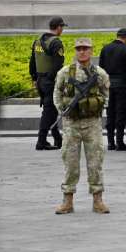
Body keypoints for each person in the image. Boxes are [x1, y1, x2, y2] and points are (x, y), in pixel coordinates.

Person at [53, 38, 110, 214]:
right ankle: (67, 200)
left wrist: (93, 105)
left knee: (95, 162)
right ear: (75, 51)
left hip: (92, 123)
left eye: (85, 48)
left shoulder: (99, 73)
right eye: (79, 49)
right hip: (71, 124)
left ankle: (98, 200)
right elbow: (56, 93)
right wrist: (65, 109)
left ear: (91, 51)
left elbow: (106, 94)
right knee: (70, 163)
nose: (82, 52)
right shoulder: (65, 72)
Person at [99, 28, 126, 151]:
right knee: (121, 114)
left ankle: (110, 143)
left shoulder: (105, 49)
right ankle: (120, 143)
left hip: (108, 86)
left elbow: (101, 68)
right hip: (122, 86)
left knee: (110, 114)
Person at [29, 17, 66, 150]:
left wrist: (34, 77)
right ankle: (41, 141)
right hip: (49, 82)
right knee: (48, 111)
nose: (62, 30)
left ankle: (57, 138)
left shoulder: (38, 41)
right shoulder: (56, 43)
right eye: (62, 27)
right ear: (59, 27)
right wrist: (51, 78)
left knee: (51, 109)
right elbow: (58, 64)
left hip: (40, 81)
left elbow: (32, 62)